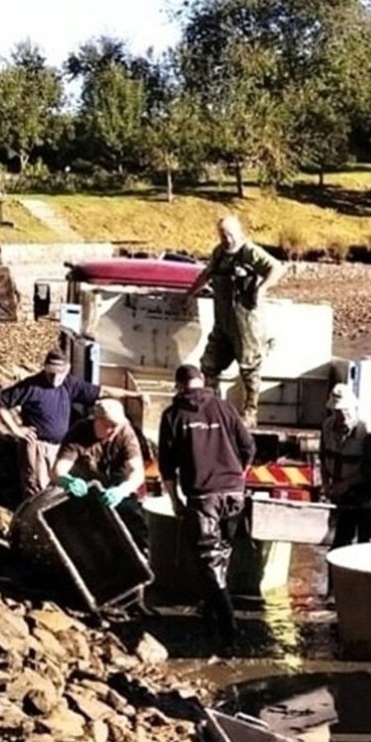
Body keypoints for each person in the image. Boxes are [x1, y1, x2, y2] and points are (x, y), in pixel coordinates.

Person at [157, 362, 256, 647]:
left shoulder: (172, 415)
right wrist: (240, 475)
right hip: (234, 494)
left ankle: (228, 624)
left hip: (203, 497)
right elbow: (248, 446)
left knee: (209, 558)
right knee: (222, 551)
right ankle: (212, 612)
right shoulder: (225, 408)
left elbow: (167, 466)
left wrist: (175, 500)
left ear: (178, 386)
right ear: (202, 381)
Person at [184, 215, 283, 425]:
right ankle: (212, 406)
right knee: (209, 364)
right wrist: (189, 294)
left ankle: (250, 411)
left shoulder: (250, 252)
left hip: (246, 323)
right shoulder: (218, 253)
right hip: (222, 323)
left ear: (239, 232)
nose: (227, 239)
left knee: (249, 367)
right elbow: (206, 274)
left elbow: (276, 268)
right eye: (223, 235)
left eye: (230, 234)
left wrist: (262, 288)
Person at [0, 348, 100, 496]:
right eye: (51, 373)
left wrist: (130, 395)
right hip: (38, 446)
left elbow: (101, 392)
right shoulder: (31, 386)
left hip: (59, 447)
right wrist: (15, 429)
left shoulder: (70, 384)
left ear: (67, 369)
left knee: (57, 487)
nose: (55, 378)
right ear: (45, 368)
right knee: (37, 489)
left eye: (59, 373)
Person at [52, 398, 149, 551]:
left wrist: (122, 490)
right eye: (107, 426)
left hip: (117, 489)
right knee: (78, 532)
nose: (112, 431)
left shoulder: (125, 432)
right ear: (95, 420)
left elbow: (137, 472)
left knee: (134, 523)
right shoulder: (79, 432)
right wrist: (68, 481)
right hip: (86, 489)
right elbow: (58, 470)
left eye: (115, 426)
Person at [319, 383, 371, 548]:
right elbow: (323, 458)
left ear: (354, 407)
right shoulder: (328, 427)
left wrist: (345, 485)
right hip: (343, 497)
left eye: (346, 410)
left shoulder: (369, 431)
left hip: (369, 497)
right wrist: (326, 485)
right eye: (338, 411)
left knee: (367, 547)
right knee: (339, 545)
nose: (343, 415)